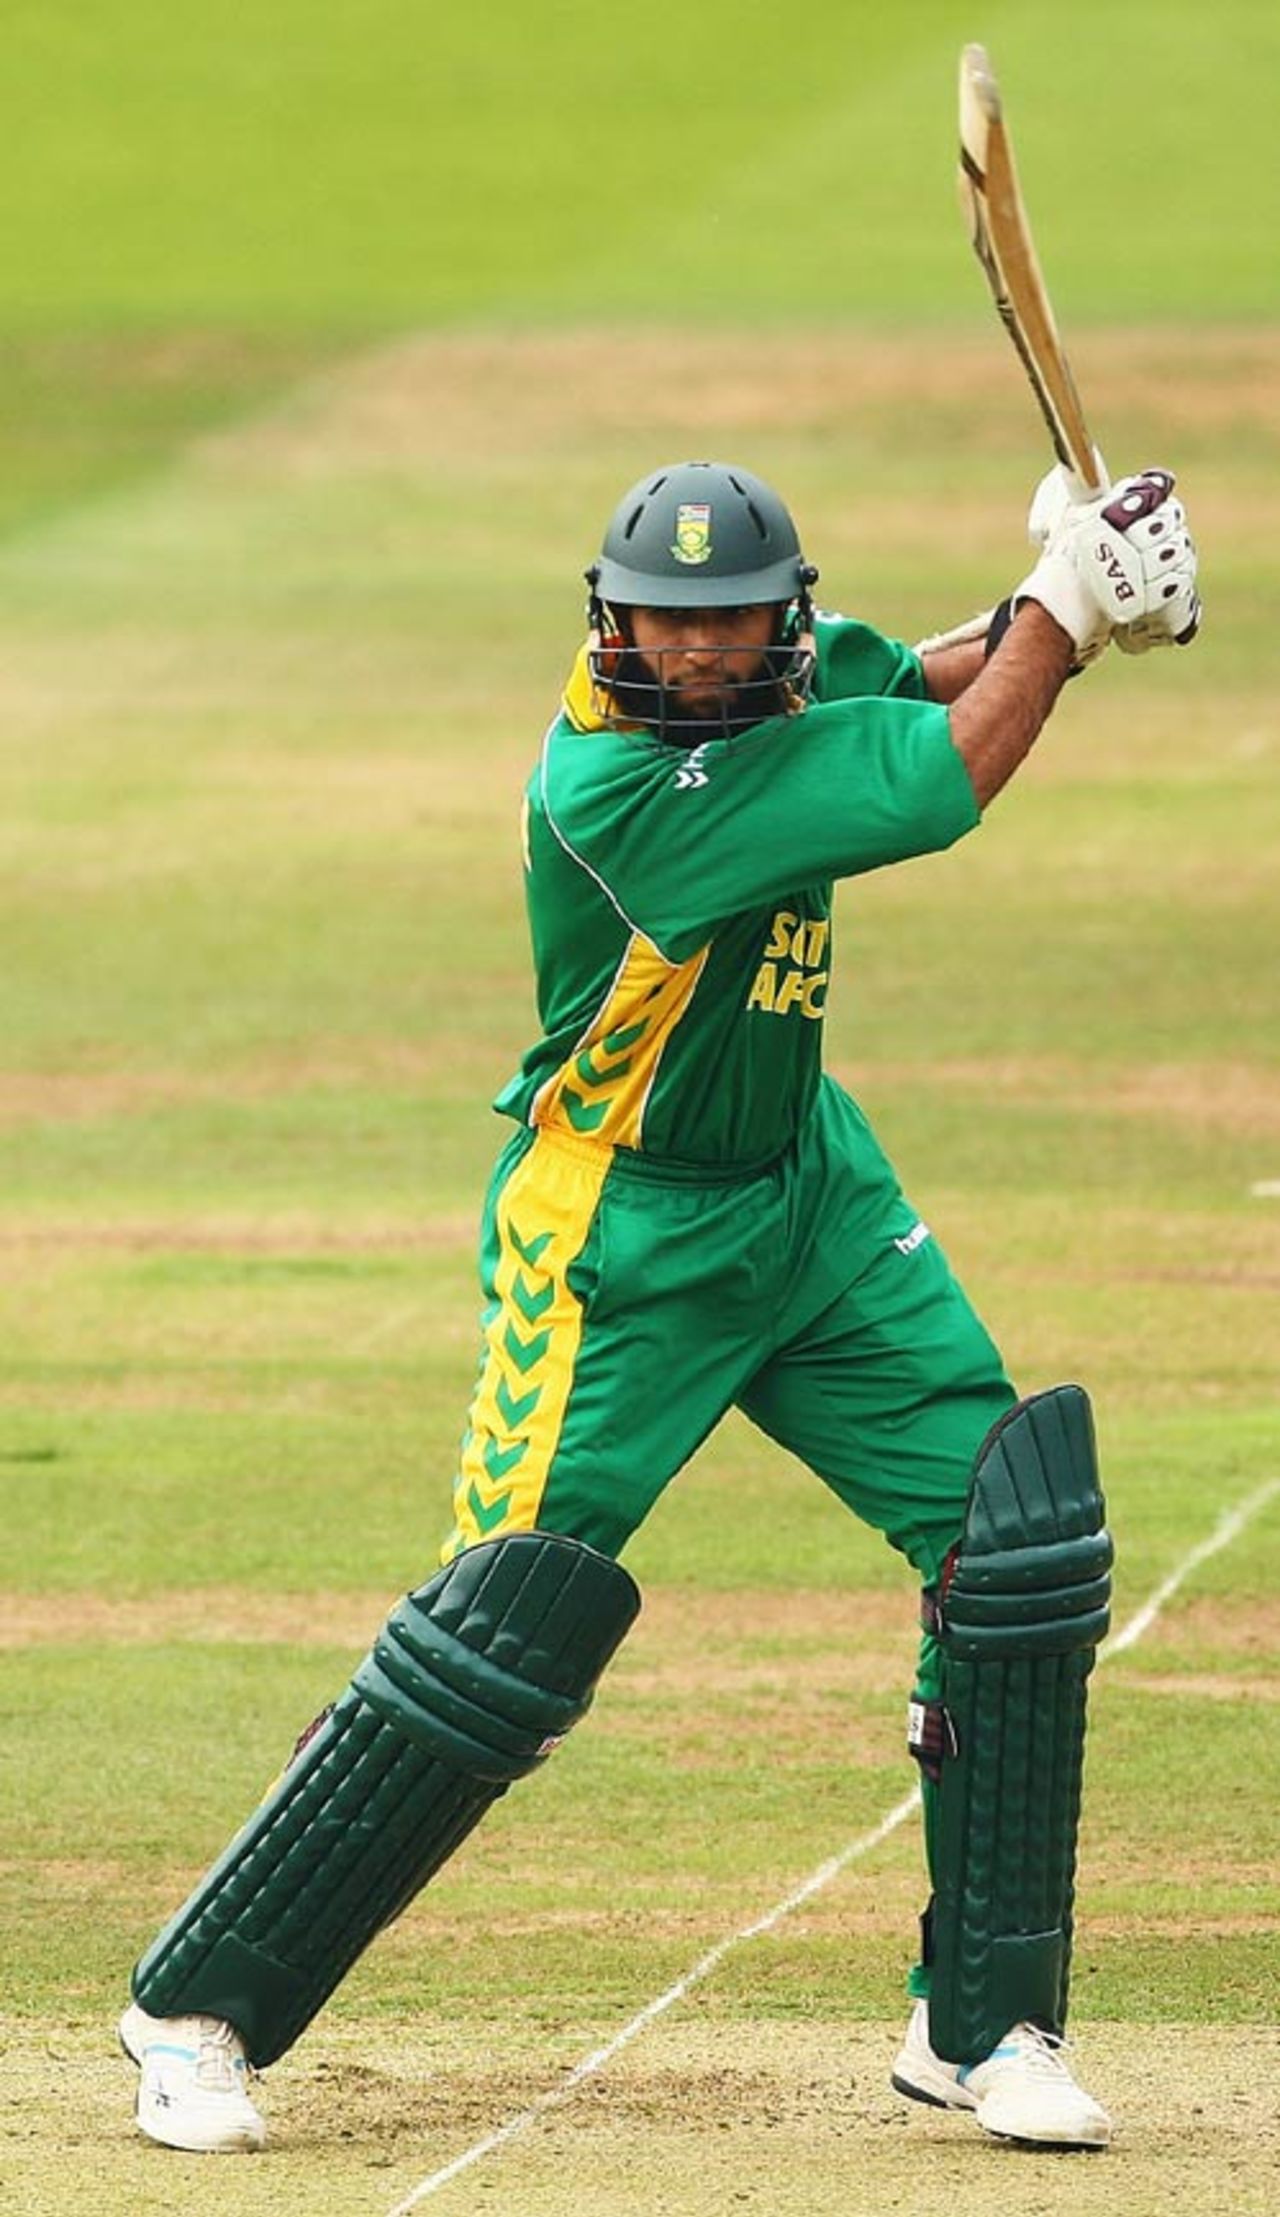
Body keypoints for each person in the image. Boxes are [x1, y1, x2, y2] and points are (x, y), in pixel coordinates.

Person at [118, 456, 1200, 2156]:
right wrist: (1061, 620)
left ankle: (986, 2026)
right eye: (664, 624)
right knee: (499, 1635)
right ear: (610, 619)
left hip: (809, 1193)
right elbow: (944, 779)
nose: (698, 653)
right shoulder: (618, 787)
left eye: (731, 623)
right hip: (619, 1230)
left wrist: (1056, 593)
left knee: (1021, 1539)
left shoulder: (780, 667)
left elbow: (897, 680)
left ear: (775, 610)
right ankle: (197, 2009)